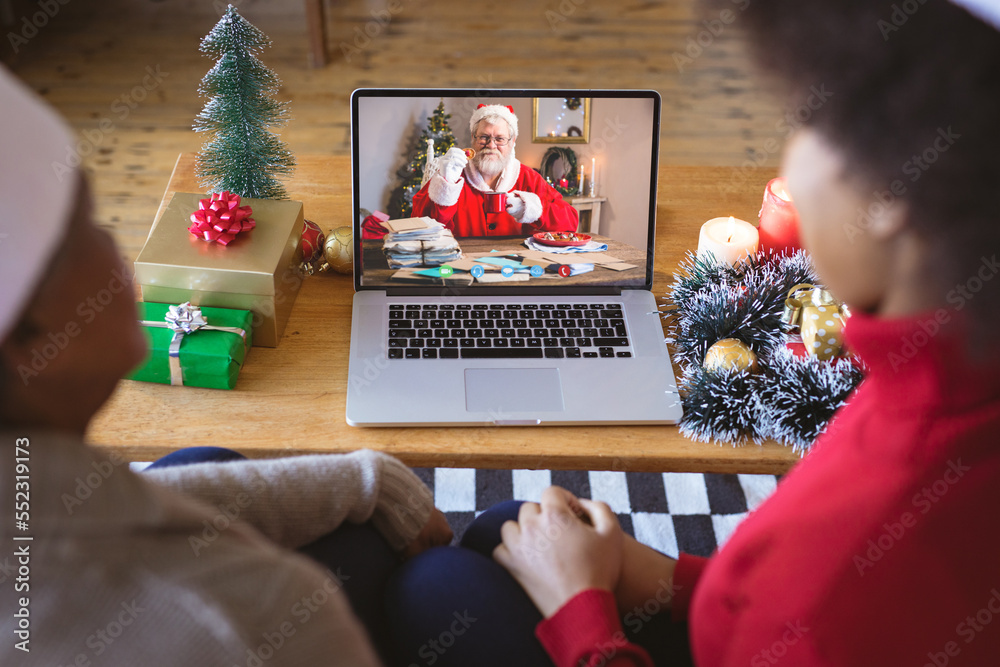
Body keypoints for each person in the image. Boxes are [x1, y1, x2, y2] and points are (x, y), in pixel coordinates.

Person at [386, 0, 1000, 665]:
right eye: (485, 139)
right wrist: (647, 572)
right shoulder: (944, 382)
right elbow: (413, 222)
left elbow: (567, 219)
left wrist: (581, 608)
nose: (790, 166)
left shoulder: (837, 579)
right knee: (505, 525)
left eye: (810, 122)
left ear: (894, 195)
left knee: (431, 586)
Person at [0, 64, 452, 666]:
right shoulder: (253, 621)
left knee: (199, 461)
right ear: (26, 338)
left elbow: (110, 506)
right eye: (86, 229)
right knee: (449, 579)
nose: (119, 248)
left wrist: (365, 477)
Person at [411, 103, 579, 237]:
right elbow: (418, 226)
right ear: (473, 138)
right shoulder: (453, 173)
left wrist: (533, 209)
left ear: (512, 141)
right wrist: (445, 184)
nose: (491, 145)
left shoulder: (528, 177)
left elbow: (570, 222)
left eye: (500, 139)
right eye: (484, 137)